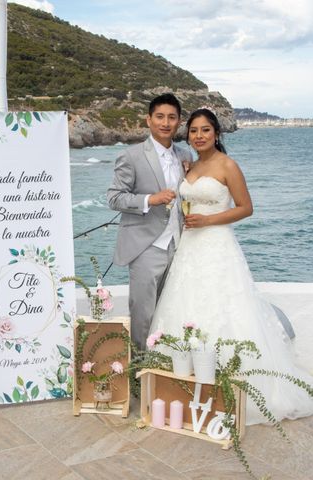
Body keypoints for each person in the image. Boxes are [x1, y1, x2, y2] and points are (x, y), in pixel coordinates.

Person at [150, 108, 313, 424]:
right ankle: (184, 387)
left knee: (225, 308)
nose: (199, 136)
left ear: (217, 133)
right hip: (190, 249)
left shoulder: (228, 165)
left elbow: (246, 208)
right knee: (185, 306)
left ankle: (230, 385)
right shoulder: (190, 166)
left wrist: (208, 220)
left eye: (205, 130)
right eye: (193, 131)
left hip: (218, 246)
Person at [107, 93, 193, 350]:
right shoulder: (131, 155)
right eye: (159, 117)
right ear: (148, 120)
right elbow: (114, 198)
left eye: (171, 117)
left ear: (179, 122)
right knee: (143, 313)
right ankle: (138, 373)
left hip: (179, 245)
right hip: (145, 246)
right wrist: (150, 199)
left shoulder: (185, 154)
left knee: (171, 310)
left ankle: (161, 367)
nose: (165, 123)